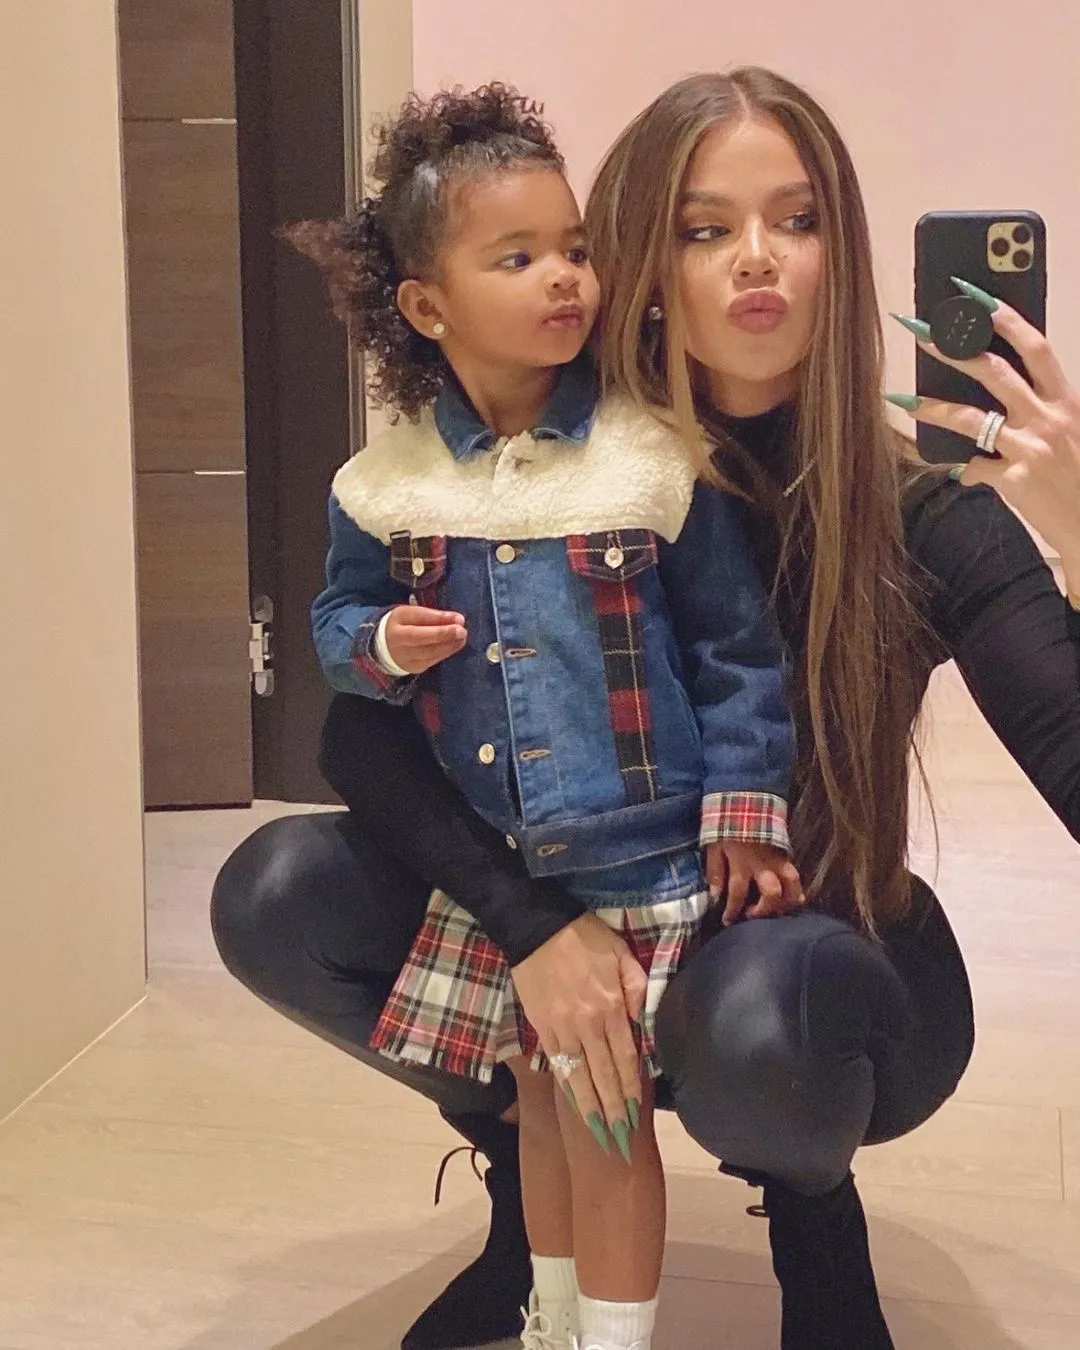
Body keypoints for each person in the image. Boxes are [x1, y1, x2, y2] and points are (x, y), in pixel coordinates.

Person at [211, 68, 1080, 1350]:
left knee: (760, 1019)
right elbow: (360, 734)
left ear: (840, 252)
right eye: (704, 227)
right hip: (575, 901)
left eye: (797, 220)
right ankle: (530, 1199)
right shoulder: (552, 478)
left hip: (815, 956)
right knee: (279, 891)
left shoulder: (926, 519)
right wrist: (532, 928)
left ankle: (814, 1220)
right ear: (642, 264)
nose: (758, 258)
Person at [294, 81, 802, 1350]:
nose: (566, 277)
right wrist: (378, 646)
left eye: (574, 246)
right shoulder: (389, 485)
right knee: (538, 1107)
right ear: (427, 307)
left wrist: (746, 810)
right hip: (501, 872)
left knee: (607, 1118)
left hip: (637, 861)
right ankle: (553, 1320)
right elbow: (335, 624)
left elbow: (737, 651)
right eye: (516, 257)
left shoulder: (649, 458)